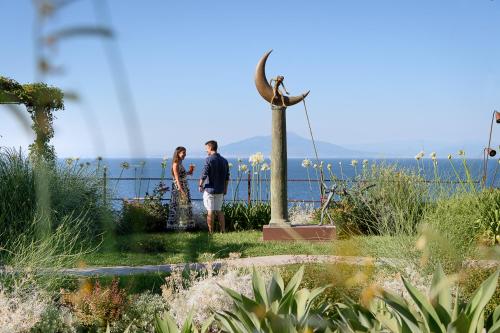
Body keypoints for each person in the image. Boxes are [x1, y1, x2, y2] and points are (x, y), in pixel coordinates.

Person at [198, 140, 229, 233]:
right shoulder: (224, 160)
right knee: (219, 210)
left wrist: (200, 185)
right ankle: (223, 230)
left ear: (210, 148)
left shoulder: (208, 159)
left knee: (210, 211)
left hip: (210, 190)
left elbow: (204, 174)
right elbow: (227, 177)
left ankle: (211, 232)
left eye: (206, 149)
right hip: (220, 190)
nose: (206, 151)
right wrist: (225, 189)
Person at [167, 146, 195, 230]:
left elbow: (182, 175)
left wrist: (189, 172)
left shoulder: (180, 163)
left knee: (184, 206)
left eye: (185, 153)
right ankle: (176, 226)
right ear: (178, 153)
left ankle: (184, 225)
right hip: (179, 188)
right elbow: (176, 178)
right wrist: (181, 189)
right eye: (183, 153)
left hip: (183, 186)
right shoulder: (175, 164)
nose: (185, 155)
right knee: (178, 206)